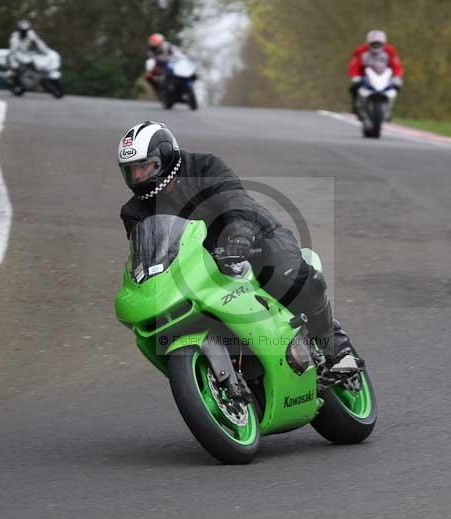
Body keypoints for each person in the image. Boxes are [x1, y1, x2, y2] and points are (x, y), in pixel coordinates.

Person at [117, 121, 355, 366]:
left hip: (255, 237)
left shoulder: (204, 167)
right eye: (131, 170)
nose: (137, 177)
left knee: (289, 277)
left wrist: (239, 233)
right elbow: (148, 251)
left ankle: (334, 345)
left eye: (144, 167)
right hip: (199, 266)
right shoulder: (133, 211)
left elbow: (234, 199)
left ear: (166, 158)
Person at [347, 30, 405, 114]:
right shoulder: (361, 50)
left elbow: (396, 65)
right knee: (354, 87)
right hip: (364, 76)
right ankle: (355, 105)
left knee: (396, 86)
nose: (376, 46)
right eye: (373, 44)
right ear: (368, 43)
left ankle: (390, 107)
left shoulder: (390, 50)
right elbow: (354, 65)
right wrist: (355, 76)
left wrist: (397, 76)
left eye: (379, 44)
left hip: (384, 76)